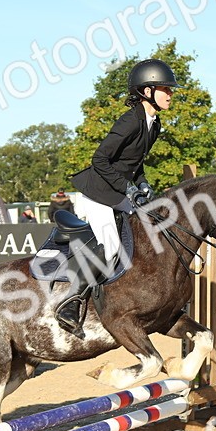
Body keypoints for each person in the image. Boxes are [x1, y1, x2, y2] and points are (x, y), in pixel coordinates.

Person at [57, 58, 177, 334]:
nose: (170, 94)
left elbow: (135, 162)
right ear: (147, 91)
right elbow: (100, 159)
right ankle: (71, 302)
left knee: (147, 231)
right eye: (165, 89)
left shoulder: (154, 123)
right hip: (98, 192)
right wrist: (128, 188)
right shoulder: (130, 121)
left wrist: (142, 183)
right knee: (110, 247)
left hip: (119, 191)